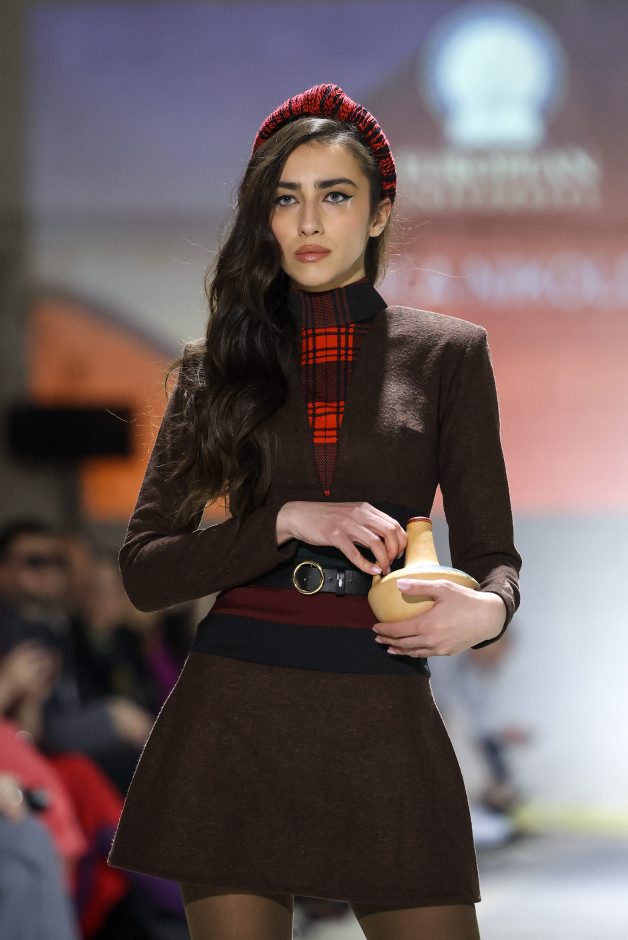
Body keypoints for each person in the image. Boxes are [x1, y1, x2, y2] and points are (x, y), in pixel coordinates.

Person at [107, 83, 522, 940]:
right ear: (263, 218)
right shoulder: (217, 368)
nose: (307, 222)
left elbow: (494, 556)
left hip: (382, 702)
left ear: (378, 213)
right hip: (236, 710)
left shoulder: (447, 355)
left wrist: (487, 613)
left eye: (334, 196)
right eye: (284, 199)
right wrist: (284, 520)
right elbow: (145, 571)